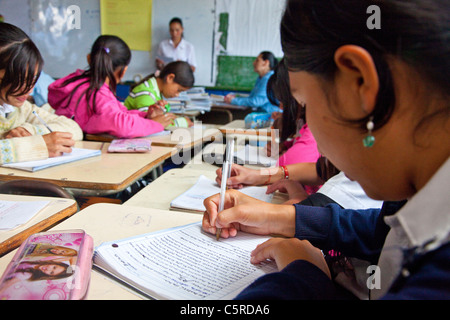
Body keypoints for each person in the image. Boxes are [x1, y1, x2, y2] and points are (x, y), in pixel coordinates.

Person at [203, 0, 450, 300]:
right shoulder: (415, 193)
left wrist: (304, 274)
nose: (314, 139)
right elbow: (382, 232)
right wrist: (277, 217)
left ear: (358, 83)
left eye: (304, 103)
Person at [48, 35, 177, 138]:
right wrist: (154, 124)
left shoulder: (77, 82)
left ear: (89, 59)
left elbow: (118, 113)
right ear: (124, 71)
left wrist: (145, 116)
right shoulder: (98, 92)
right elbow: (120, 124)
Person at [0, 23, 83, 165]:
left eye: (32, 80)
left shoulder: (20, 108)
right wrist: (39, 145)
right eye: (19, 80)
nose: (29, 90)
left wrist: (31, 130)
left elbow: (74, 129)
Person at [124, 61, 194, 128]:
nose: (177, 95)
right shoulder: (146, 94)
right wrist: (183, 122)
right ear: (170, 78)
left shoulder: (156, 92)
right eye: (179, 90)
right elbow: (152, 124)